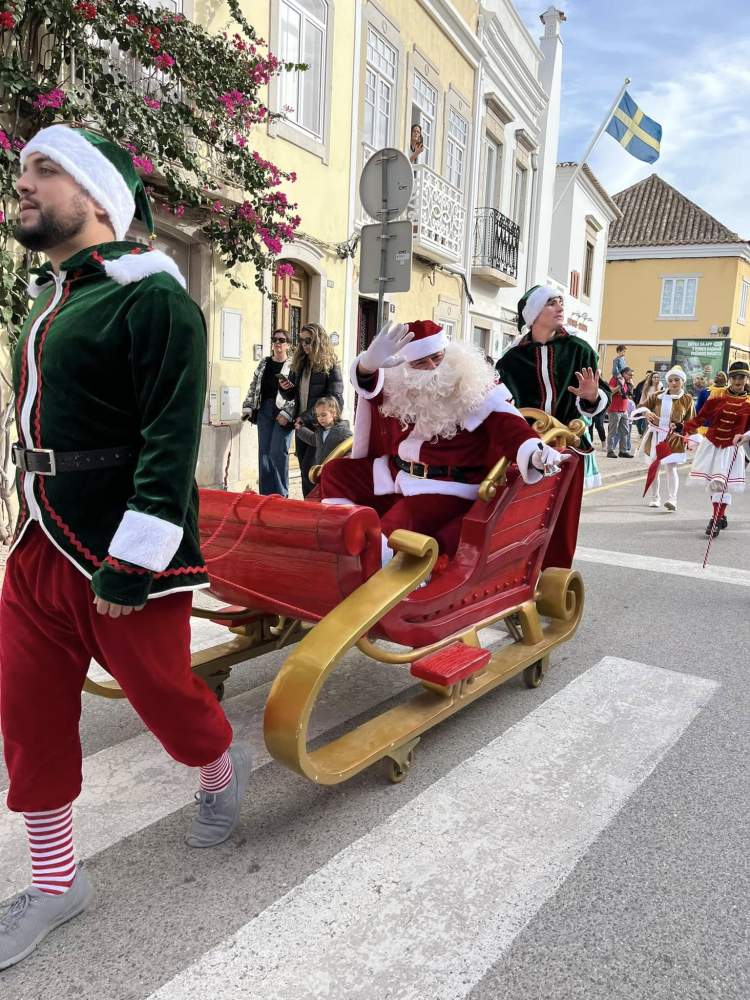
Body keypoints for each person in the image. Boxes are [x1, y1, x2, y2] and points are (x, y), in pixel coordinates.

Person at [0, 125, 250, 971]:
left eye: (44, 169)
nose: (22, 182)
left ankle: (218, 768)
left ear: (98, 196)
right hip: (41, 542)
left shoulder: (153, 298)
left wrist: (135, 558)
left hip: (121, 551)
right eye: (22, 167)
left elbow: (170, 439)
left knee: (164, 697)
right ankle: (54, 880)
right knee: (28, 716)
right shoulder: (53, 297)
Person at [319, 320, 570, 567]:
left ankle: (374, 578)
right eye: (421, 362)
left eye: (437, 358)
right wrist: (367, 365)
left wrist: (535, 452)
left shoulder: (471, 388)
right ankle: (341, 536)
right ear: (405, 367)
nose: (433, 367)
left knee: (393, 530)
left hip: (446, 487)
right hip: (398, 475)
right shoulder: (402, 386)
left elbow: (509, 426)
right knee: (336, 472)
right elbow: (371, 388)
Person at [495, 286, 611, 491]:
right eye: (551, 303)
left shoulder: (579, 349)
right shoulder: (511, 360)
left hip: (568, 447)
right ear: (534, 314)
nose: (560, 308)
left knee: (563, 515)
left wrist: (592, 397)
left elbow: (601, 393)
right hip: (527, 451)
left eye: (561, 302)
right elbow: (503, 407)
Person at [683, 361, 750, 537]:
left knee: (723, 486)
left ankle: (715, 520)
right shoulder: (717, 396)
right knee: (714, 484)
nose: (738, 381)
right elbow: (701, 417)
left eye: (741, 377)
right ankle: (721, 515)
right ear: (729, 378)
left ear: (746, 378)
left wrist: (746, 436)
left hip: (732, 448)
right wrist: (683, 427)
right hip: (711, 445)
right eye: (734, 377)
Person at [279, 323, 343, 497]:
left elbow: (335, 399)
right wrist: (285, 387)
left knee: (315, 472)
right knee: (304, 471)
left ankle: (319, 508)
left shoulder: (330, 365)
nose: (304, 345)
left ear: (318, 341)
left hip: (321, 426)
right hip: (302, 426)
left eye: (308, 341)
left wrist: (306, 418)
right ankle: (309, 509)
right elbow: (292, 395)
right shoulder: (300, 363)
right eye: (301, 341)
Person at [242, 329, 296, 496]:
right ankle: (266, 495)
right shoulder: (264, 363)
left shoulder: (294, 366)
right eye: (275, 339)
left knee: (278, 451)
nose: (277, 343)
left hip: (283, 412)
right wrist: (248, 406)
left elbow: (297, 393)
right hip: (265, 409)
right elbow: (254, 385)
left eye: (281, 340)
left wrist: (287, 413)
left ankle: (281, 494)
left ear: (288, 344)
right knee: (264, 452)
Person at [633, 366, 695, 511]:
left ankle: (672, 499)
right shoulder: (657, 395)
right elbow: (640, 408)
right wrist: (646, 413)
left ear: (682, 382)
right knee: (654, 467)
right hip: (655, 436)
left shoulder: (687, 399)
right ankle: (655, 498)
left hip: (673, 438)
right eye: (671, 380)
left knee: (671, 468)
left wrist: (681, 426)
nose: (673, 383)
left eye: (677, 380)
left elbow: (692, 421)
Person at [295, 396, 351, 470]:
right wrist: (300, 429)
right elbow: (312, 439)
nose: (320, 418)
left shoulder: (343, 432)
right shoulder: (320, 431)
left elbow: (351, 448)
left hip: (336, 471)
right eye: (318, 416)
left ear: (334, 413)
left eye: (323, 415)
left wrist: (344, 462)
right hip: (321, 471)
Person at [607, 367, 635, 458]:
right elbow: (610, 391)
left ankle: (623, 451)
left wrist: (631, 385)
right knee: (613, 431)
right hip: (615, 409)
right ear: (624, 373)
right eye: (629, 375)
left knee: (625, 431)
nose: (631, 377)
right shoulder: (615, 379)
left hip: (624, 410)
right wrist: (620, 385)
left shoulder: (628, 382)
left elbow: (628, 394)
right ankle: (610, 451)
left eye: (632, 375)